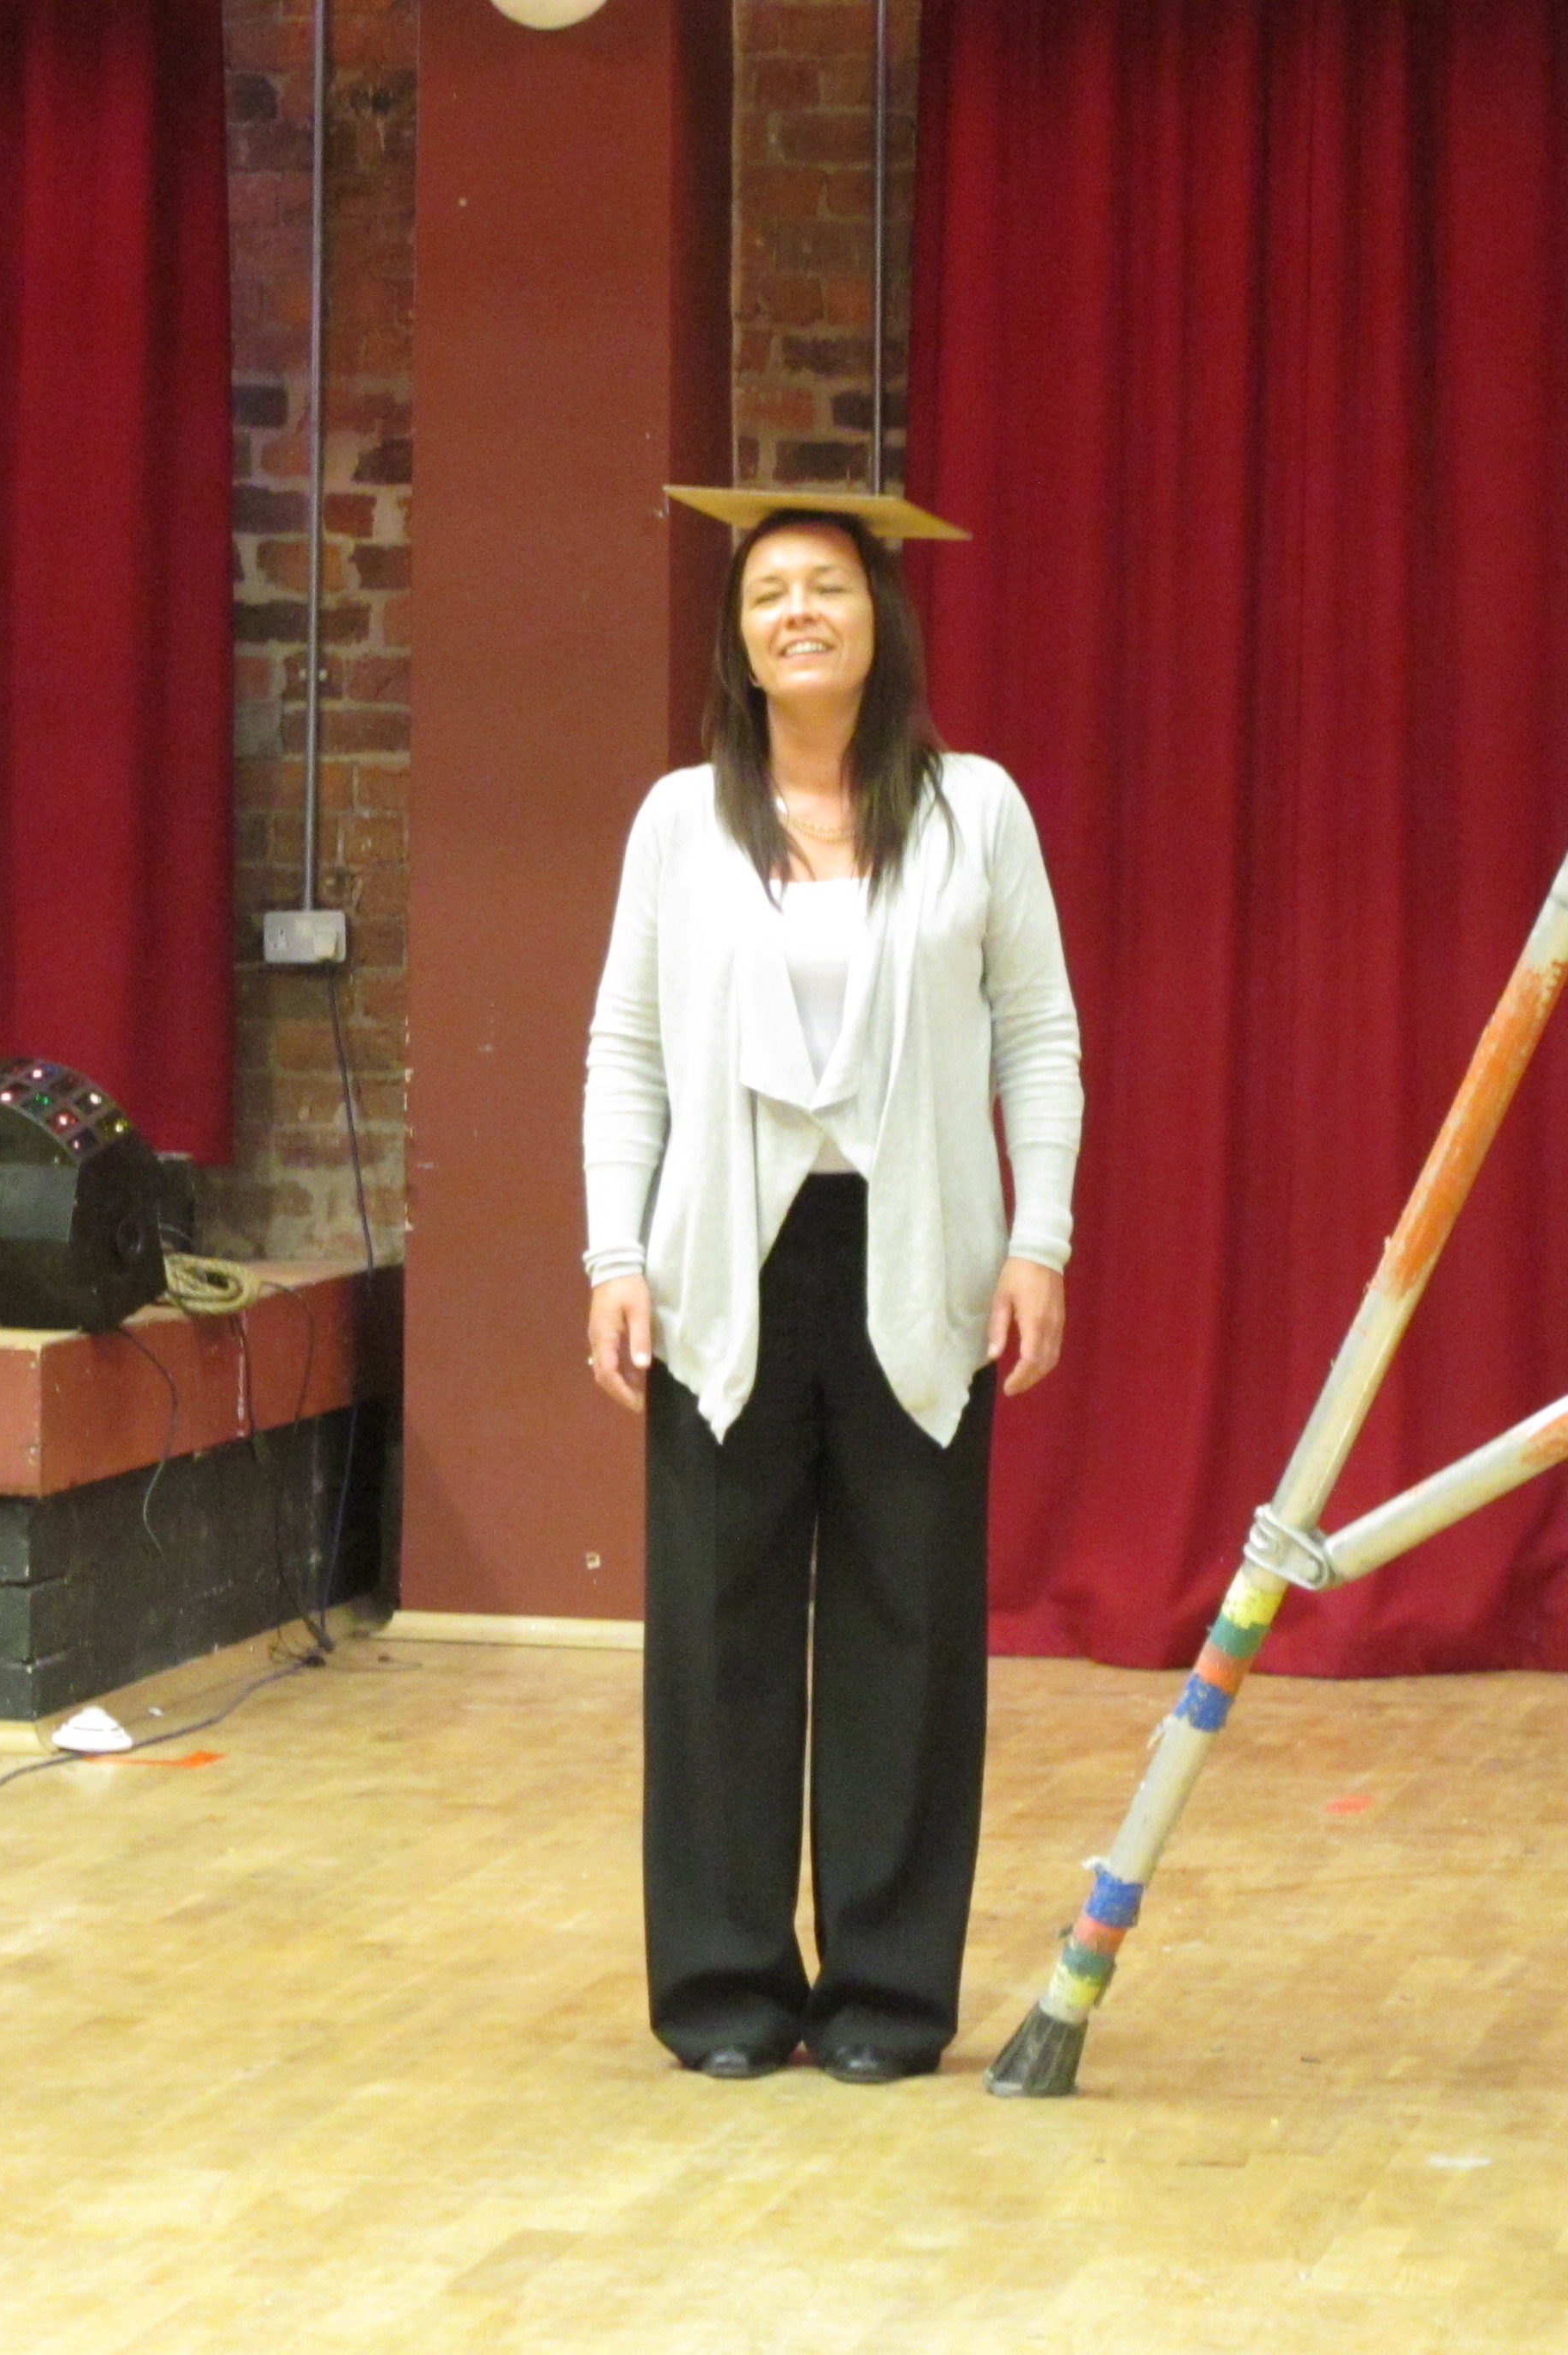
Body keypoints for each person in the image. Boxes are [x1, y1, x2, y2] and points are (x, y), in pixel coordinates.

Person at [582, 494, 1083, 2086]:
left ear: (878, 620)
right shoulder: (680, 822)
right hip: (725, 1268)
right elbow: (626, 1050)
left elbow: (1038, 1038)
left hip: (918, 1258)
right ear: (739, 641)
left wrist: (1042, 1237)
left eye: (827, 587)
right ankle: (725, 1988)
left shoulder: (975, 811)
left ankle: (886, 1992)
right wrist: (614, 1254)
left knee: (907, 1626)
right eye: (768, 595)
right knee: (717, 1630)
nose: (798, 612)